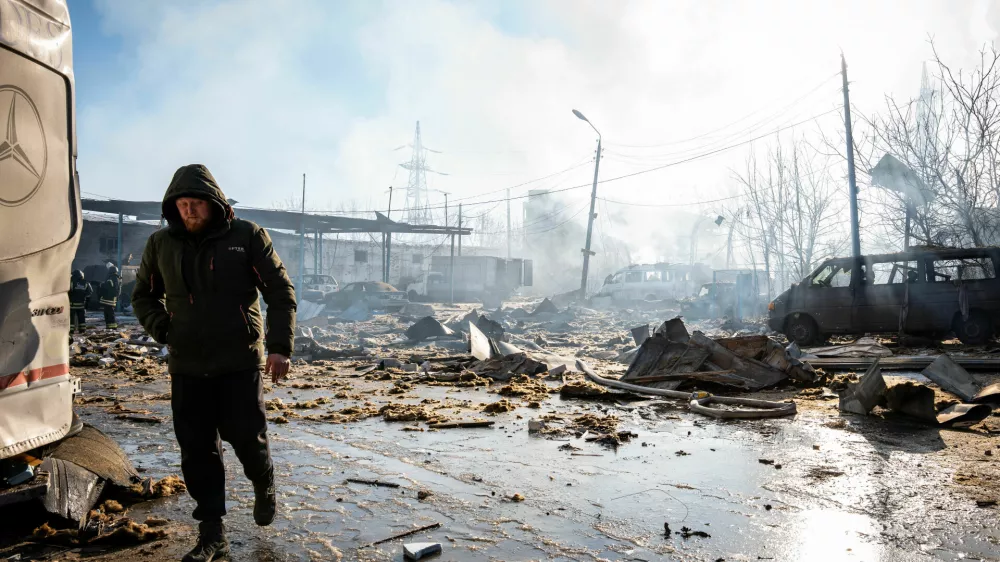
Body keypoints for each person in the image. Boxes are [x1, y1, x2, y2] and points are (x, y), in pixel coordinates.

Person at [132, 164, 296, 562]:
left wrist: (279, 347)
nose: (189, 211)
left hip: (238, 361)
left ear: (214, 204)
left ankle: (264, 480)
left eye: (196, 204)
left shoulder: (246, 237)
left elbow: (279, 291)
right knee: (197, 450)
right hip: (187, 365)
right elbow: (143, 296)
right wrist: (164, 330)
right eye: (183, 205)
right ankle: (212, 536)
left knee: (246, 438)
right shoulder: (161, 244)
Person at [69, 270, 92, 335]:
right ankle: (82, 330)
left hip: (72, 304)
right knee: (81, 318)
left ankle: (71, 331)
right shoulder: (86, 282)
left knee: (72, 318)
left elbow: (68, 291)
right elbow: (90, 292)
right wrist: (84, 296)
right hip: (81, 304)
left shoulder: (71, 281)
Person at [99, 265, 121, 330]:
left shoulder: (112, 278)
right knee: (108, 313)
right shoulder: (115, 278)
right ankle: (109, 326)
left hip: (109, 299)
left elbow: (109, 288)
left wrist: (102, 285)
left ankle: (113, 327)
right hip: (110, 299)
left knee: (109, 313)